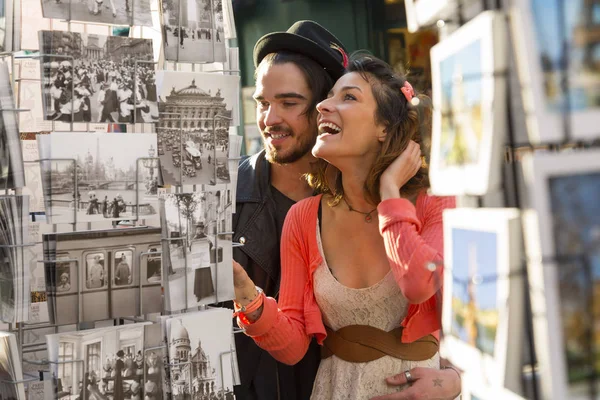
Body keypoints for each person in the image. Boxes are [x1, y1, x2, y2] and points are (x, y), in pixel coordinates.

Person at [231, 20, 461, 400]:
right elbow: (291, 343)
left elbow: (446, 301)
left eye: (289, 103)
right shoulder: (301, 216)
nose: (270, 119)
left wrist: (455, 379)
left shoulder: (435, 204)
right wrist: (246, 293)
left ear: (384, 127)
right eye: (262, 103)